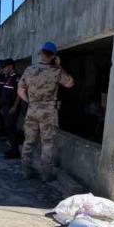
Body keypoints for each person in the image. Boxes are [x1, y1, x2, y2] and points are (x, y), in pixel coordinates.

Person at [17, 41, 74, 181]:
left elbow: (20, 90)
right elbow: (70, 83)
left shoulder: (29, 70)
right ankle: (46, 174)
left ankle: (26, 171)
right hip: (48, 112)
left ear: (41, 53)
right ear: (53, 56)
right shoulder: (56, 71)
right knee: (47, 143)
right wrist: (59, 66)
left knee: (29, 141)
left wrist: (29, 102)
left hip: (32, 109)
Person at [0, 59, 19, 139]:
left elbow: (19, 94)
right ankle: (11, 143)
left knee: (11, 126)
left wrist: (14, 107)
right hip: (5, 106)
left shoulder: (16, 78)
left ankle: (14, 145)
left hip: (11, 107)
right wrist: (2, 107)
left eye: (5, 67)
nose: (4, 69)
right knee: (7, 125)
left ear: (10, 67)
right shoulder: (8, 78)